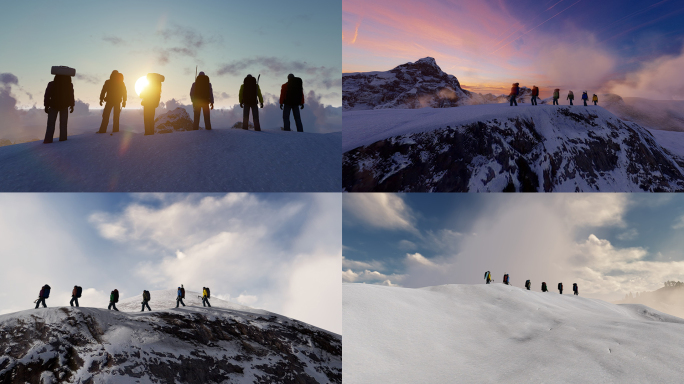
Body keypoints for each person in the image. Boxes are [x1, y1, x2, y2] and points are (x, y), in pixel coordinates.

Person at [43, 75, 75, 143]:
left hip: (53, 105)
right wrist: (72, 105)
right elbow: (71, 95)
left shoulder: (51, 84)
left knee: (50, 124)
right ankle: (63, 139)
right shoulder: (69, 84)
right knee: (63, 124)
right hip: (64, 106)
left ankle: (48, 140)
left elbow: (47, 95)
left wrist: (46, 106)